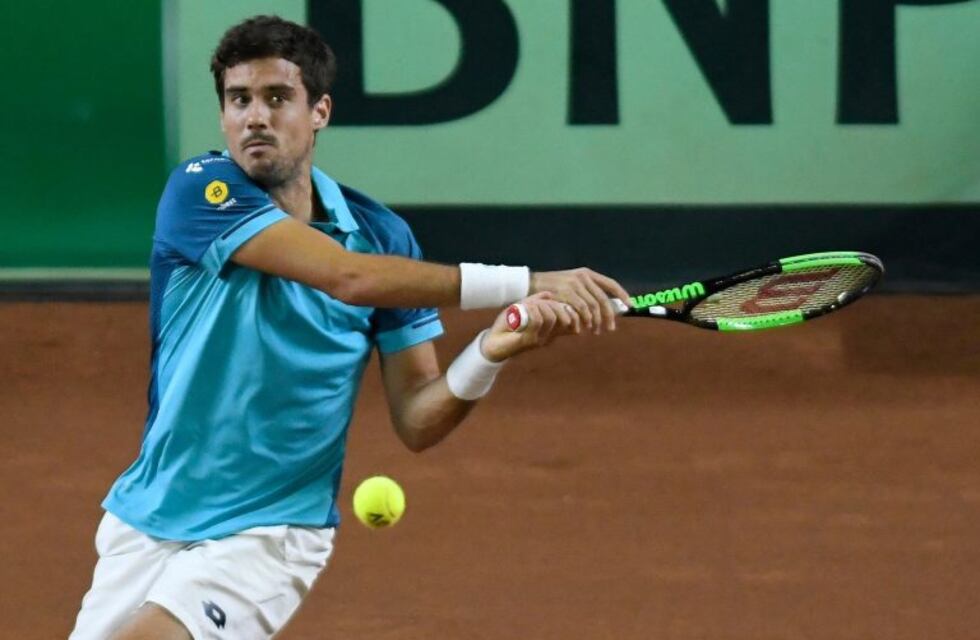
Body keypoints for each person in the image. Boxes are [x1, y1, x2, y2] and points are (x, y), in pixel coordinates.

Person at [69, 15, 631, 639]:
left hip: (271, 530)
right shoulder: (199, 192)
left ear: (320, 111)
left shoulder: (384, 236)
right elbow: (347, 279)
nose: (256, 117)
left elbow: (418, 417)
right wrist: (525, 281)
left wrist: (488, 352)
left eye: (278, 98)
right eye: (239, 100)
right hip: (149, 515)